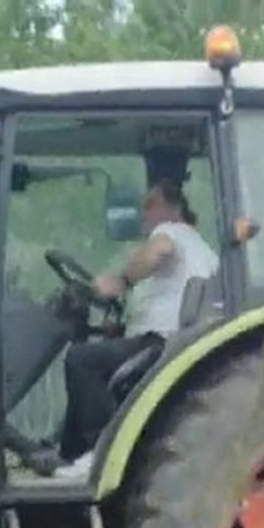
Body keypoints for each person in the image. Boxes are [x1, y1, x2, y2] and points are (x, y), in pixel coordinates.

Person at [29, 178, 219, 477]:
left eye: (149, 205)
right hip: (171, 340)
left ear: (173, 207)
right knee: (95, 358)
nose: (144, 213)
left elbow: (159, 251)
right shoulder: (203, 249)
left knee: (82, 360)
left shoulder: (172, 232)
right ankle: (68, 453)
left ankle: (101, 452)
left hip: (160, 343)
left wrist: (121, 281)